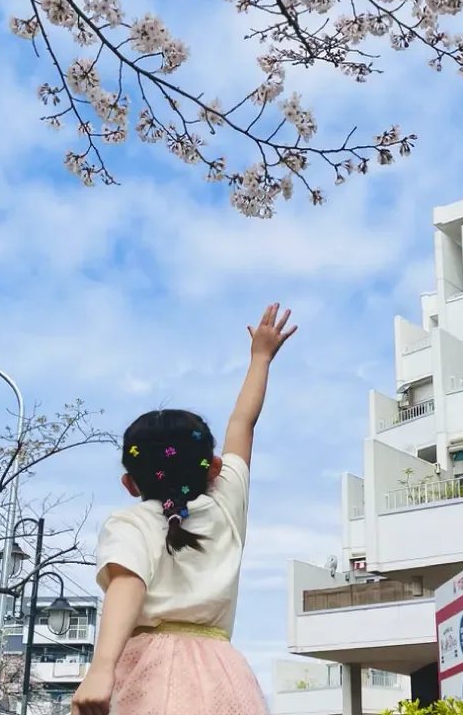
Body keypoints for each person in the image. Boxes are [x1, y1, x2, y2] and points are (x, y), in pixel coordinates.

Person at [71, 304, 298, 715]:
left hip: (151, 672)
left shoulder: (131, 522)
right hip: (223, 674)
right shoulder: (226, 506)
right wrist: (261, 357)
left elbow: (128, 585)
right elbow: (242, 423)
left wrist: (101, 669)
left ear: (129, 483)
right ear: (213, 467)